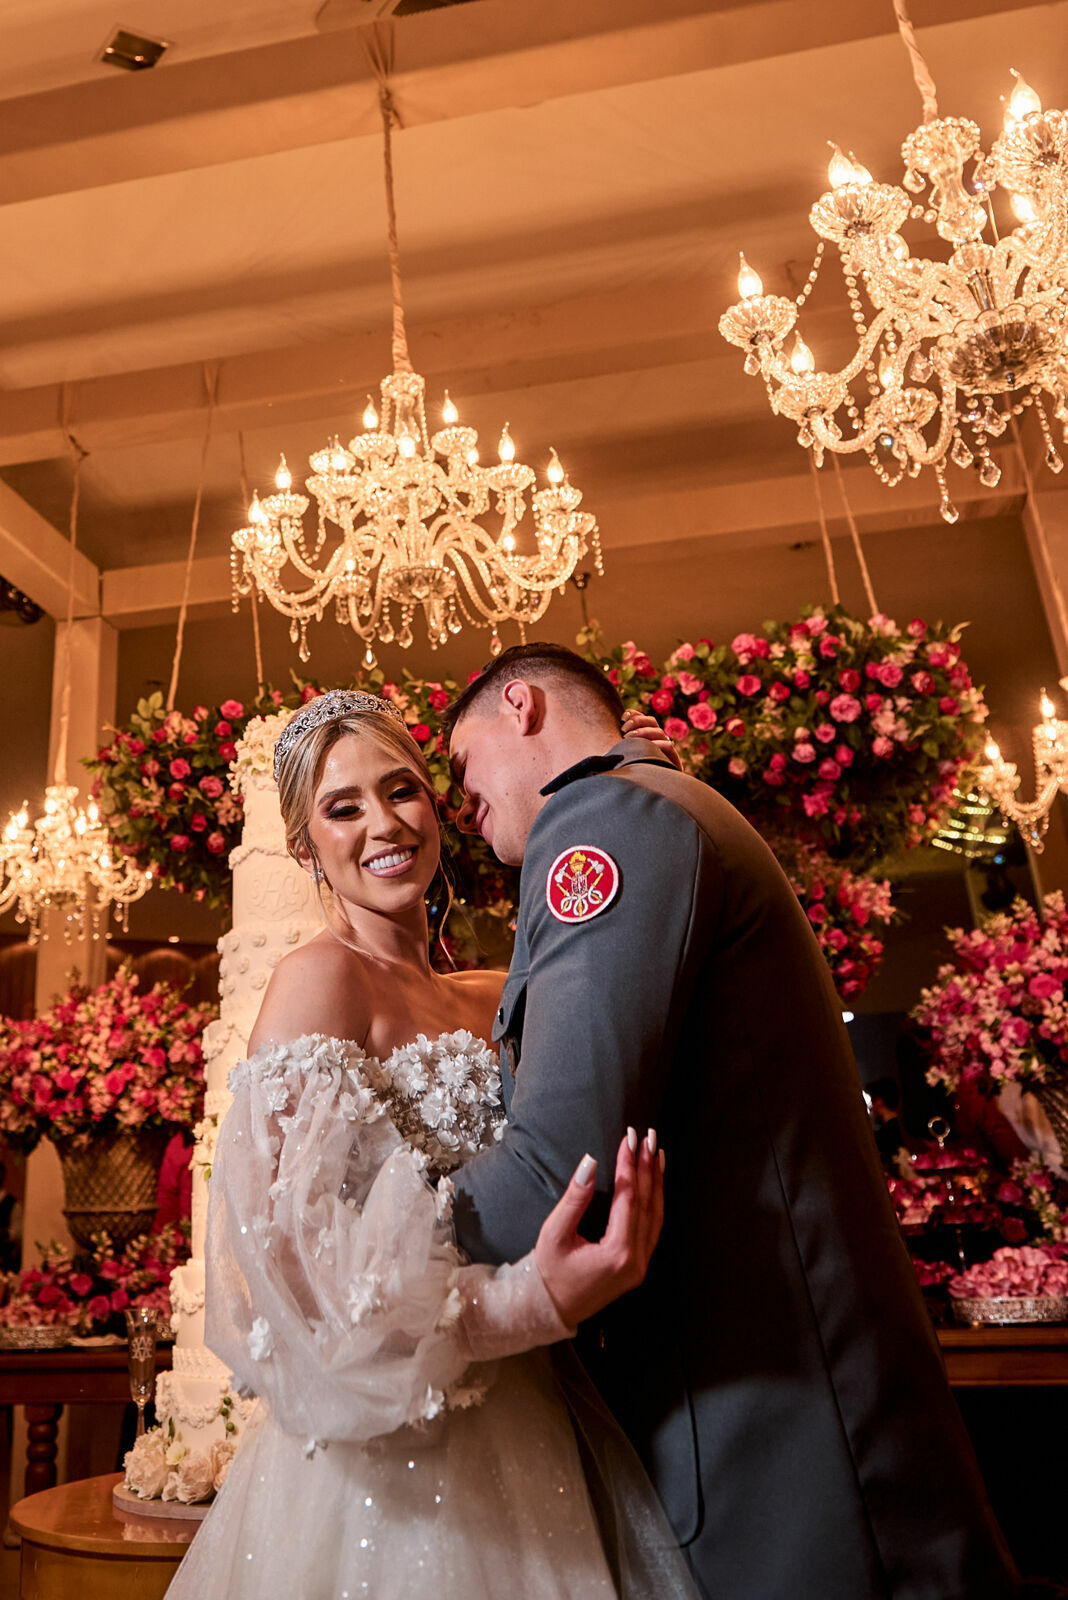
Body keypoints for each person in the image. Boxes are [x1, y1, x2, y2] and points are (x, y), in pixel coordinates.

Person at [444, 641, 1020, 1600]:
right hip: (791, 1408)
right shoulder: (665, 807)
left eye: (461, 762)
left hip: (774, 1435)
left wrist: (365, 1257)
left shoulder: (607, 817)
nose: (460, 796)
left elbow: (558, 1170)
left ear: (522, 705)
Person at [166, 689, 698, 1600]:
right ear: (306, 850)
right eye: (344, 807)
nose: (384, 824)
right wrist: (531, 1303)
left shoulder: (497, 987)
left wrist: (630, 780)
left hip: (548, 1418)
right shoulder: (318, 982)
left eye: (402, 789)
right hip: (393, 1459)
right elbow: (297, 1273)